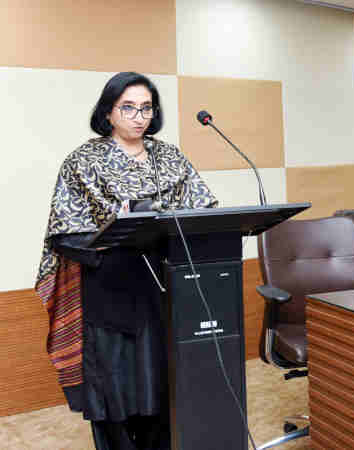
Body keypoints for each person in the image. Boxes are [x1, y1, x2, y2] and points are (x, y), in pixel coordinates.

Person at [35, 72, 218, 450]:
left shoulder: (170, 156)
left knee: (163, 386)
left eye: (147, 107)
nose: (139, 116)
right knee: (116, 392)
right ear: (109, 112)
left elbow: (203, 208)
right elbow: (65, 231)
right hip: (110, 289)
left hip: (166, 284)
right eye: (129, 107)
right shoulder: (83, 160)